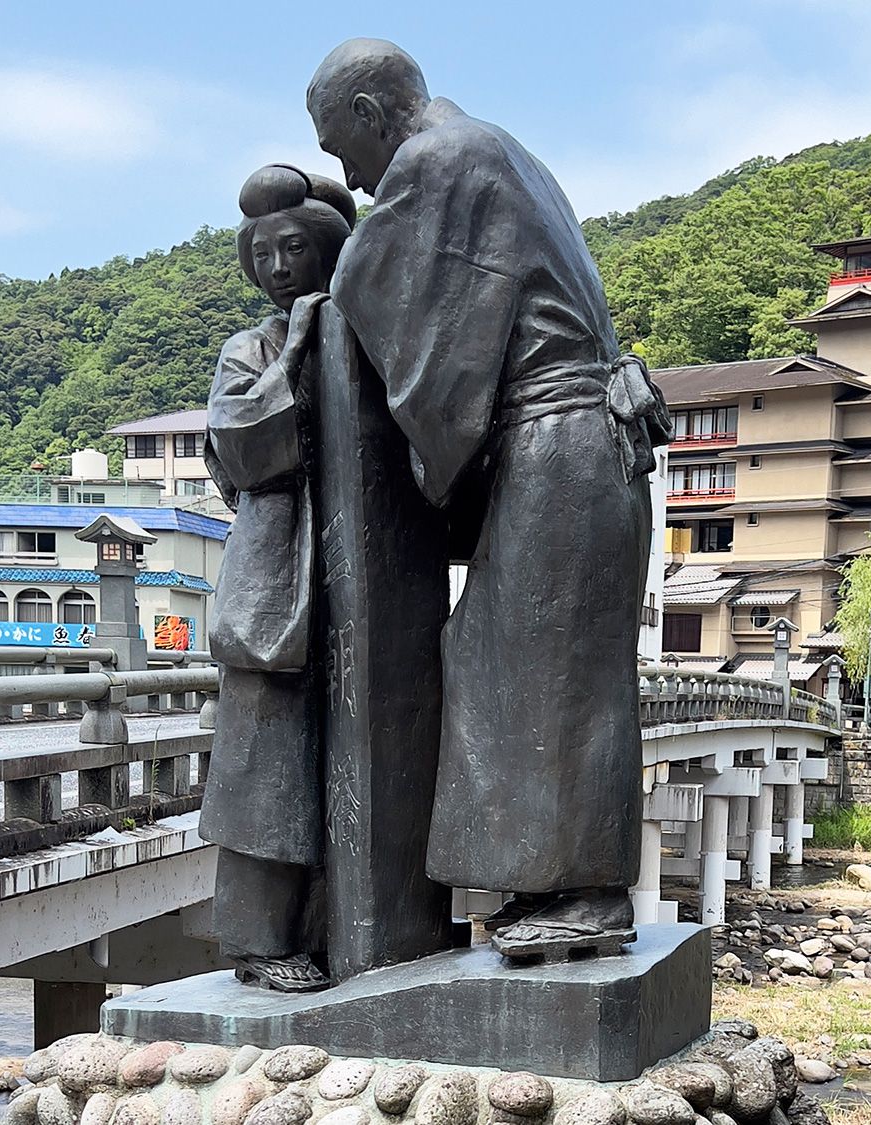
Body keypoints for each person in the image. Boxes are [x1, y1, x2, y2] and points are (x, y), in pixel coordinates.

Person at [308, 39, 670, 959]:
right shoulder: (508, 153)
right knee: (527, 669)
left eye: (336, 148)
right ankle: (551, 885)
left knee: (546, 679)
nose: (343, 176)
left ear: (367, 111)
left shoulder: (441, 157)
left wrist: (322, 287)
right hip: (593, 446)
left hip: (560, 444)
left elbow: (374, 291)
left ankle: (587, 898)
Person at [198, 162, 356, 991]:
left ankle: (345, 932)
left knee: (352, 766)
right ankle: (259, 941)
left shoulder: (368, 327)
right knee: (269, 769)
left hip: (356, 586)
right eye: (263, 254)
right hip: (275, 584)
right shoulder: (249, 348)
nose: (279, 266)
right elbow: (242, 447)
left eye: (295, 247)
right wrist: (298, 345)